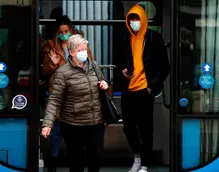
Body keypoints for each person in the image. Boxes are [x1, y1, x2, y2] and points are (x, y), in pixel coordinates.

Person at [41, 34, 108, 172]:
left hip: (95, 122)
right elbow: (54, 100)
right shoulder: (63, 73)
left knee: (96, 159)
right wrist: (48, 124)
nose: (84, 52)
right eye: (79, 50)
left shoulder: (94, 66)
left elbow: (102, 84)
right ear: (71, 52)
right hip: (73, 124)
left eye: (85, 49)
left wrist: (104, 85)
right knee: (77, 163)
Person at [119, 4, 170, 172]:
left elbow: (164, 66)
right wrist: (124, 72)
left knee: (146, 129)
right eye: (131, 19)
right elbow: (121, 61)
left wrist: (152, 87)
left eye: (137, 18)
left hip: (145, 90)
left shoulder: (154, 38)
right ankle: (137, 156)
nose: (134, 22)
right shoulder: (125, 38)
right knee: (128, 126)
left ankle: (145, 164)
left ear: (143, 19)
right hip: (129, 90)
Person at [41, 15, 93, 172]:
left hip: (77, 94)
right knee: (56, 132)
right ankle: (53, 165)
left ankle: (76, 165)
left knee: (76, 134)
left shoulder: (82, 46)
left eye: (66, 30)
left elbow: (90, 66)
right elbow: (44, 71)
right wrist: (53, 65)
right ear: (57, 33)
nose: (64, 33)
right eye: (61, 31)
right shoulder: (51, 47)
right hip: (58, 92)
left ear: (71, 30)